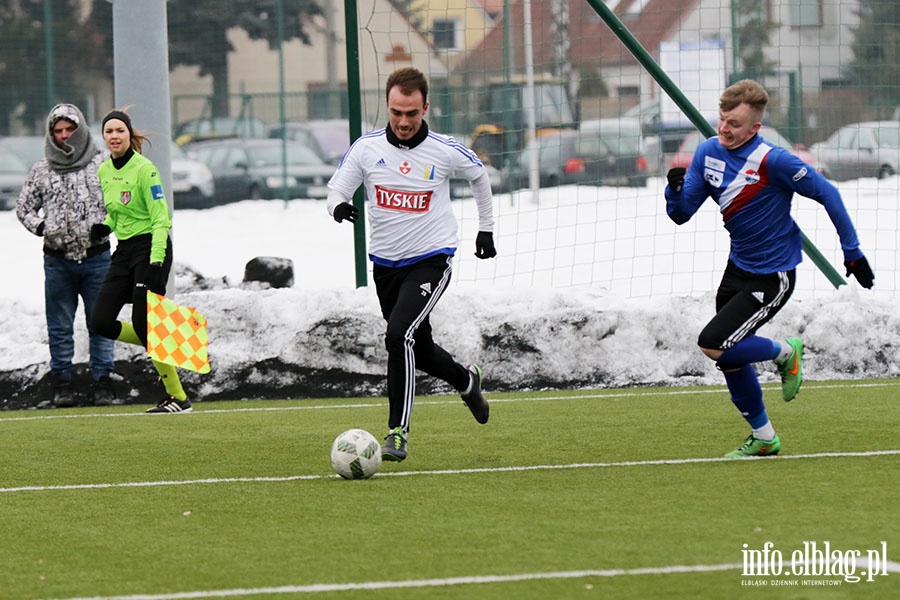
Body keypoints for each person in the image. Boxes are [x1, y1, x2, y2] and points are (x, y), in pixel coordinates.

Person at [664, 79, 874, 458]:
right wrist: (674, 191)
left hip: (773, 275)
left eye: (736, 125)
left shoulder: (773, 160)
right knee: (730, 356)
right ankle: (764, 437)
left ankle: (785, 353)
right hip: (737, 269)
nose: (726, 129)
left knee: (713, 343)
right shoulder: (708, 152)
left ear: (755, 128)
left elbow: (829, 193)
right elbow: (681, 215)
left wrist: (852, 252)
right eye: (723, 120)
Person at [326, 67, 497, 461]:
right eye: (397, 113)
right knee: (418, 347)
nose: (404, 122)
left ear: (425, 108)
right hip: (386, 265)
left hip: (431, 259)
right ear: (387, 106)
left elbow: (479, 176)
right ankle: (466, 380)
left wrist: (485, 230)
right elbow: (337, 187)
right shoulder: (367, 149)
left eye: (412, 113)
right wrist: (337, 205)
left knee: (397, 335)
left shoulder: (444, 149)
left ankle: (397, 432)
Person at [89, 109, 190, 413]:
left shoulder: (145, 169)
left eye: (120, 130)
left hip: (151, 248)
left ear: (129, 135)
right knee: (101, 321)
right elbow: (121, 211)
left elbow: (161, 220)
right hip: (124, 250)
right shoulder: (105, 170)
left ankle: (178, 397)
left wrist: (156, 261)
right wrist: (106, 226)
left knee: (142, 321)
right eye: (109, 132)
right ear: (104, 137)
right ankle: (164, 338)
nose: (114, 136)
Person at [16, 103, 116, 407]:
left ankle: (102, 383)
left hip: (97, 258)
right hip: (57, 261)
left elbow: (122, 203)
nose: (63, 136)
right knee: (59, 325)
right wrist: (42, 226)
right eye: (57, 131)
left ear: (81, 129)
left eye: (69, 130)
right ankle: (63, 384)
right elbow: (23, 208)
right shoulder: (42, 169)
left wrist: (106, 226)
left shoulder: (104, 164)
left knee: (100, 322)